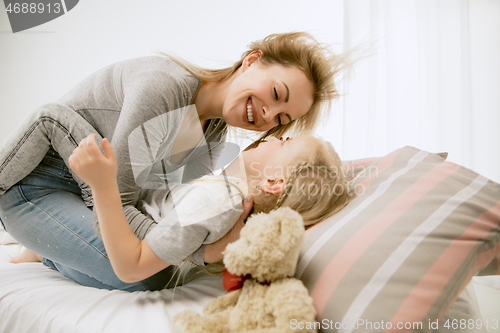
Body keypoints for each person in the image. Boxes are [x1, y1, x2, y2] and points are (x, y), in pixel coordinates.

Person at [0, 32, 348, 291]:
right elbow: (114, 202)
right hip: (37, 184)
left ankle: (47, 250)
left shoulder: (213, 135)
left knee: (153, 271)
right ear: (252, 61)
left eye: (282, 119)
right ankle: (42, 243)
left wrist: (196, 248)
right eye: (275, 94)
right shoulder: (163, 87)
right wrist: (175, 249)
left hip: (84, 195)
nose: (268, 115)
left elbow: (156, 206)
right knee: (147, 272)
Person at [14, 132, 354, 286]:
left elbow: (132, 267)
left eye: (286, 142)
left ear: (275, 182)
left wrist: (103, 185)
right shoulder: (228, 200)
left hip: (131, 267)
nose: (275, 136)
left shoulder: (218, 199)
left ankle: (45, 255)